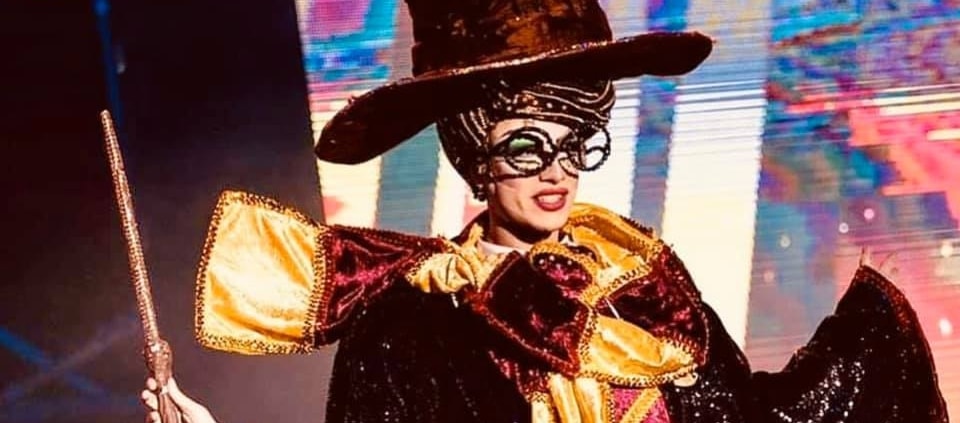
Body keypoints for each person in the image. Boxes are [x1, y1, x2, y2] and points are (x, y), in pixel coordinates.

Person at [142, 0, 947, 422]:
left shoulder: (642, 281)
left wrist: (864, 359)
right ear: (474, 155)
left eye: (576, 143)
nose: (558, 170)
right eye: (528, 145)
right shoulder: (409, 324)